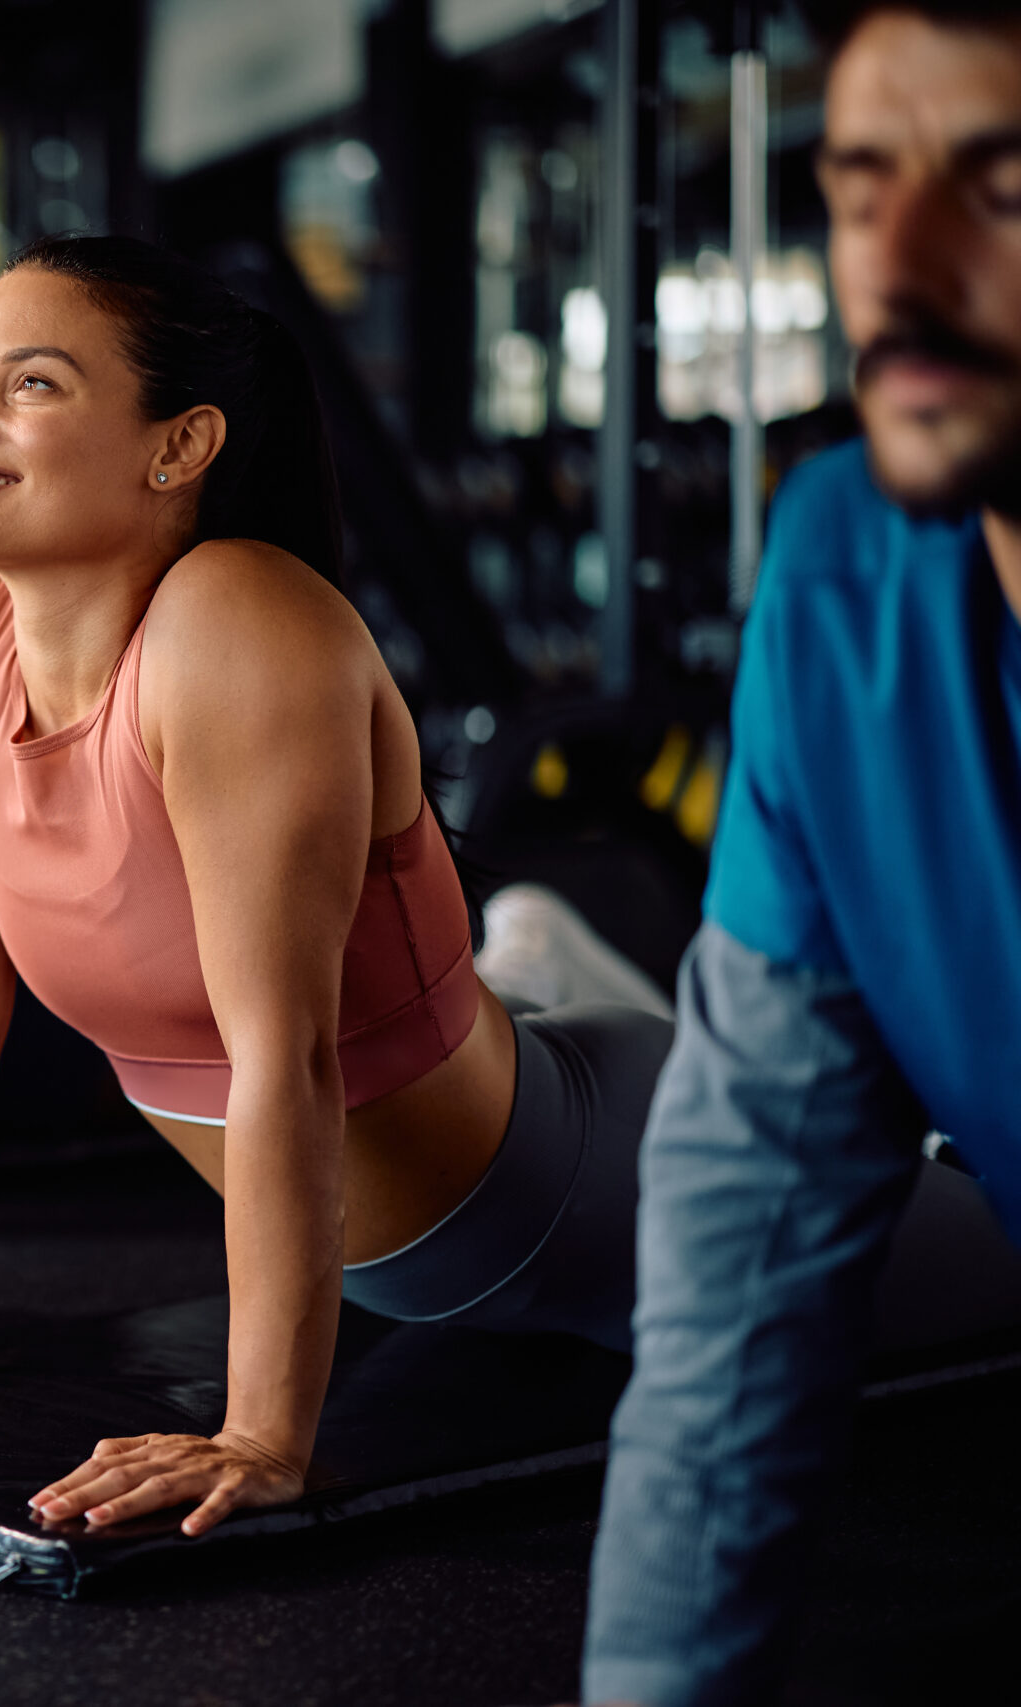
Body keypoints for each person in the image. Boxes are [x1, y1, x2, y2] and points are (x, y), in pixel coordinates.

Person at [0, 234, 703, 1539]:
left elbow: (287, 1055)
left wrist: (264, 1430)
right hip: (412, 1263)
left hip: (589, 1193)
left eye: (29, 384)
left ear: (180, 444)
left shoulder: (235, 620)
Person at [581, 6, 1021, 1703]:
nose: (900, 264)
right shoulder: (842, 567)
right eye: (859, 185)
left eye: (1000, 186)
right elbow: (745, 1267)